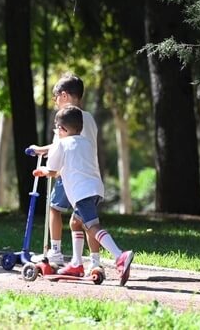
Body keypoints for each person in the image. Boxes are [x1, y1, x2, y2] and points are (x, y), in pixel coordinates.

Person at [33, 105, 135, 286]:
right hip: (95, 189)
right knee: (75, 222)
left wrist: (41, 170)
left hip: (81, 194)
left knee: (92, 227)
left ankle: (120, 255)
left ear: (62, 130)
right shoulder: (86, 142)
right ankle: (76, 264)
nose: (57, 131)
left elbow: (52, 170)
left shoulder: (61, 144)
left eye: (57, 128)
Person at [28, 73, 102, 271]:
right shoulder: (87, 119)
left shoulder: (66, 119)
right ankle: (94, 262)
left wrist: (47, 160)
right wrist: (42, 149)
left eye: (56, 97)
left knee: (54, 209)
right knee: (84, 220)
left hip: (66, 173)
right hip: (89, 175)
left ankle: (56, 251)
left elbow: (62, 147)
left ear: (65, 96)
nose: (55, 102)